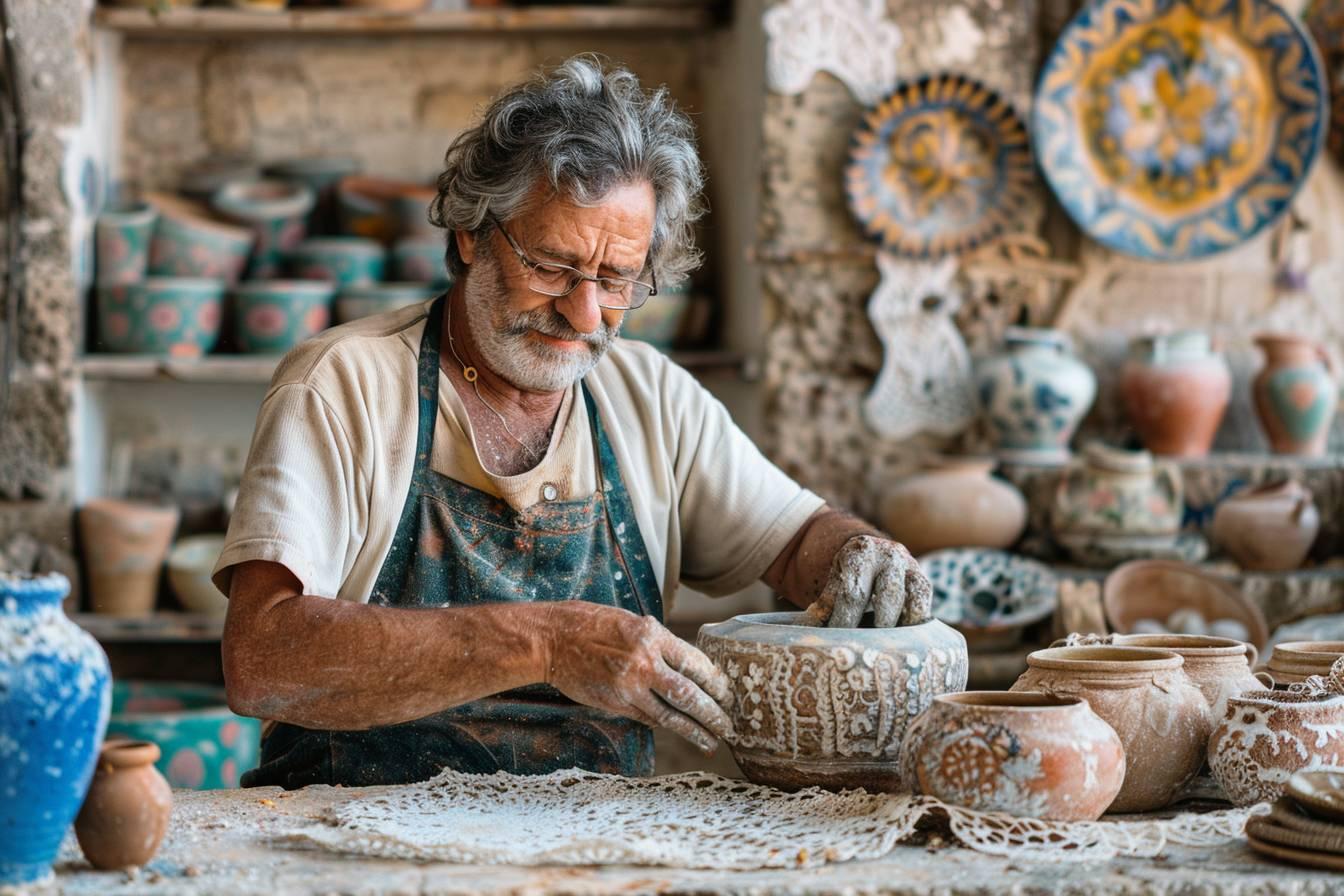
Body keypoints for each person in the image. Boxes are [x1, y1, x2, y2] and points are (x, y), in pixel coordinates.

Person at [215, 55, 931, 789]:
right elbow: (263, 660)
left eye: (618, 280)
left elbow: (796, 539)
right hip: (353, 831)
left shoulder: (651, 397)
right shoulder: (343, 386)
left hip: (590, 839)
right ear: (472, 235)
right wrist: (545, 642)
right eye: (553, 267)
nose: (585, 314)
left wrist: (856, 551)